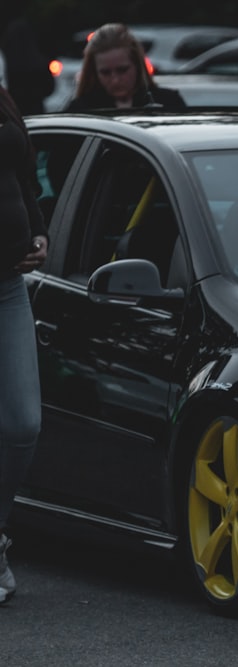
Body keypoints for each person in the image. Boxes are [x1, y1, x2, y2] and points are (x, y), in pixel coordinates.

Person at [0, 84, 47, 604]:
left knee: (22, 422)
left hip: (8, 287)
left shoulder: (2, 97)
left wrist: (38, 231)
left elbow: (23, 178)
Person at [66, 23, 187, 111]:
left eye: (122, 70)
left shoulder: (168, 103)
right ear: (95, 72)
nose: (115, 80)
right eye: (105, 72)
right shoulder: (81, 110)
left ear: (137, 66)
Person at [0, 3, 54, 115]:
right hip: (37, 113)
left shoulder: (7, 65)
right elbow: (50, 89)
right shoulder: (39, 63)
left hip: (15, 114)